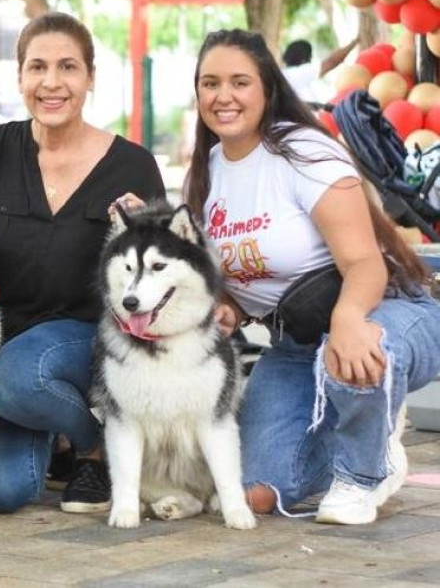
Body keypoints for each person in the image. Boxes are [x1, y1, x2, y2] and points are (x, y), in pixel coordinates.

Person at [185, 28, 440, 525]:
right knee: (254, 492)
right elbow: (243, 273)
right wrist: (229, 308)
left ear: (267, 89)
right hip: (295, 343)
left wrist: (347, 317)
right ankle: (366, 424)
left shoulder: (303, 151)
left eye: (240, 82)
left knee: (350, 351)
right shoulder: (207, 170)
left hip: (386, 308)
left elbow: (364, 262)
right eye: (209, 83)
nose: (223, 96)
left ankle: (367, 469)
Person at [0, 12, 166, 514]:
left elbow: (155, 280)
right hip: (0, 337)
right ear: (19, 76)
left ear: (89, 78)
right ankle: (62, 435)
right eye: (37, 67)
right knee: (1, 492)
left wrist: (137, 231)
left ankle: (93, 445)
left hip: (87, 337)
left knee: (17, 379)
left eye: (68, 67)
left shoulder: (132, 165)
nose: (52, 82)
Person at [281, 36, 358, 102]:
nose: (310, 60)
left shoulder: (285, 74)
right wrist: (355, 42)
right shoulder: (297, 73)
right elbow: (331, 62)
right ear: (304, 58)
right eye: (310, 57)